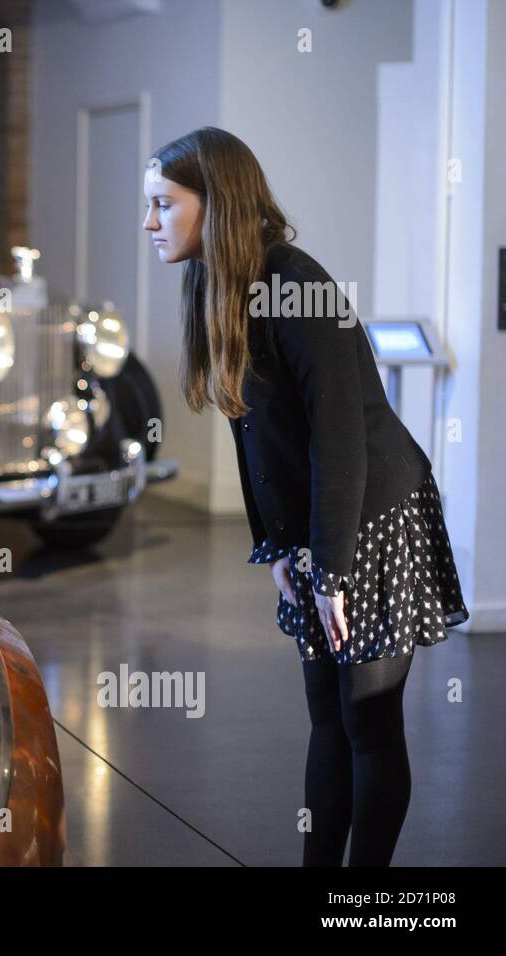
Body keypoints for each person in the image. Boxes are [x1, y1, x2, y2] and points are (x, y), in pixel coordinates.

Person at [142, 126, 468, 867]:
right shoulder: (219, 284)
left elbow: (338, 438)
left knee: (367, 718)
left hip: (375, 517)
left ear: (215, 202)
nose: (150, 222)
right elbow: (251, 430)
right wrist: (279, 544)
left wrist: (332, 565)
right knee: (328, 715)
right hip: (324, 527)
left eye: (164, 204)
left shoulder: (297, 284)